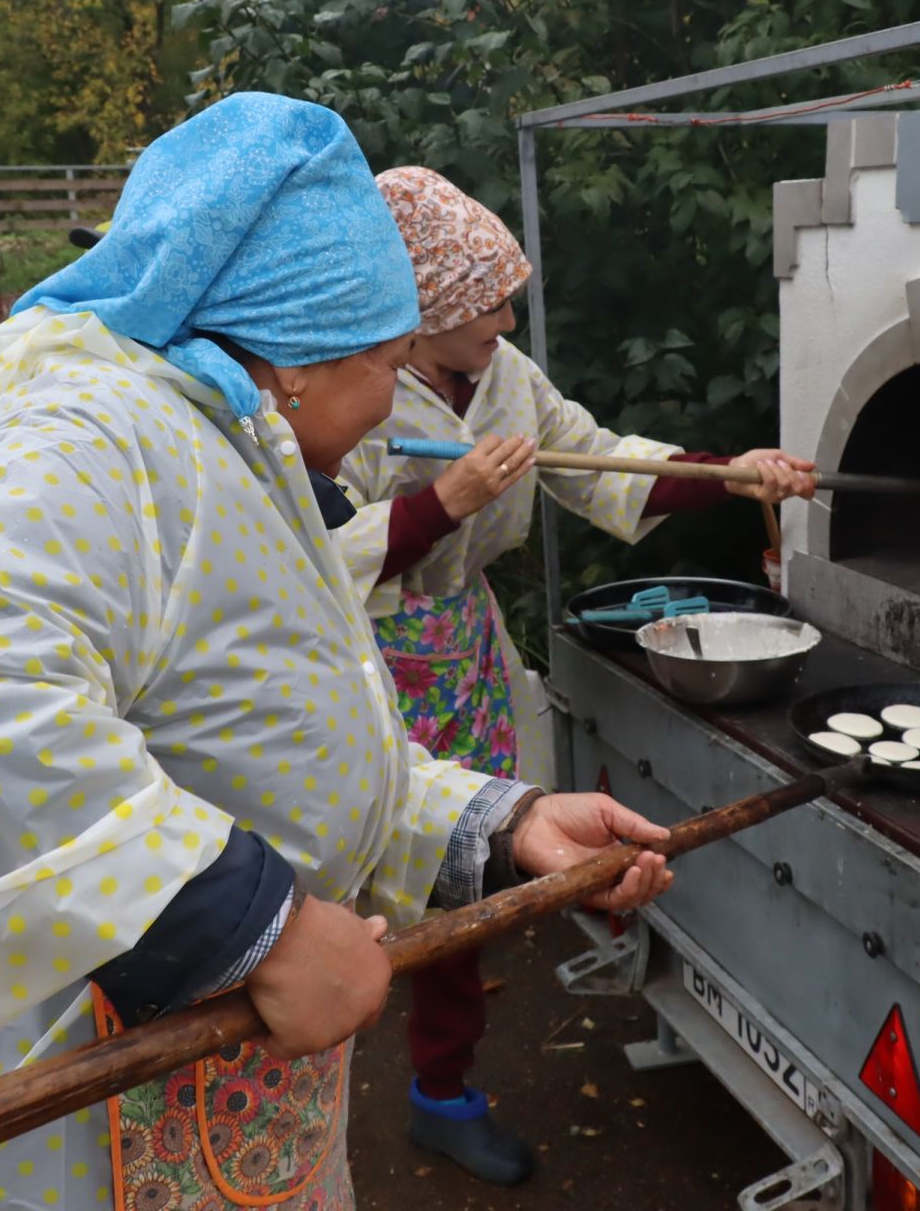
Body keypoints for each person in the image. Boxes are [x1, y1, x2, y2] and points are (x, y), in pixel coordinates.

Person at [0, 95, 674, 1211]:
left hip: (208, 1116)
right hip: (49, 1132)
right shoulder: (94, 438)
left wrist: (496, 825)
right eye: (385, 360)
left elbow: (267, 722)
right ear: (300, 354)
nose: (388, 403)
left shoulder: (232, 441)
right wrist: (251, 926)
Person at [333, 166, 816, 1185]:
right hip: (361, 652)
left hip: (459, 644)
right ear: (417, 319)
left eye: (508, 297)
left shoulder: (505, 375)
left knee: (463, 874)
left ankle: (442, 1090)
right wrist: (445, 501)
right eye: (485, 302)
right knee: (351, 879)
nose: (506, 318)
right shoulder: (351, 389)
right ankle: (325, 1077)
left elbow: (600, 459)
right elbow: (315, 550)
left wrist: (727, 472)